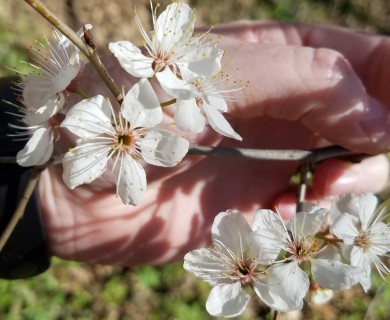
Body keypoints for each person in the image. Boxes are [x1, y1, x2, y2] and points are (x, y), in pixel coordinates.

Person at [1, 21, 390, 273]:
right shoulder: (131, 112)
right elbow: (123, 123)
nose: (124, 137)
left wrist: (50, 208)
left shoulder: (168, 119)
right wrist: (52, 193)